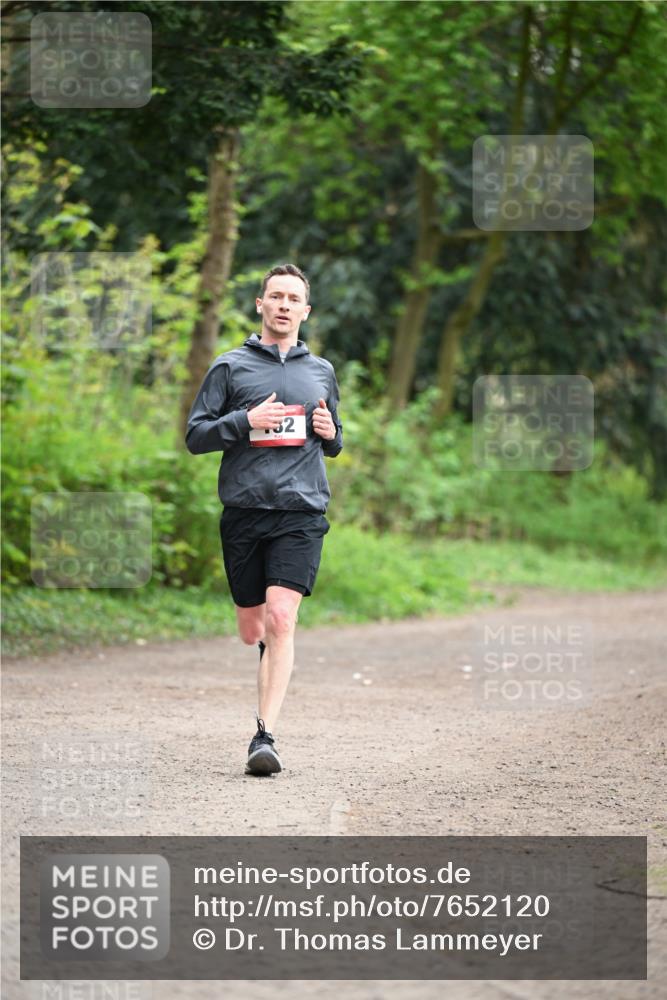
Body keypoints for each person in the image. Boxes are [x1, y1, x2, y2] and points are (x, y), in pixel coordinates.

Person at [185, 263, 343, 776]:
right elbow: (195, 436)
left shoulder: (321, 371)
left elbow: (334, 439)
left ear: (305, 311)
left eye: (293, 299)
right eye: (276, 296)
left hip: (301, 511)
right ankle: (267, 654)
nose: (283, 305)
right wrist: (244, 421)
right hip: (245, 512)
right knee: (252, 626)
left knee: (281, 618)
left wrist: (331, 432)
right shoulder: (230, 367)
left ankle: (264, 736)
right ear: (260, 304)